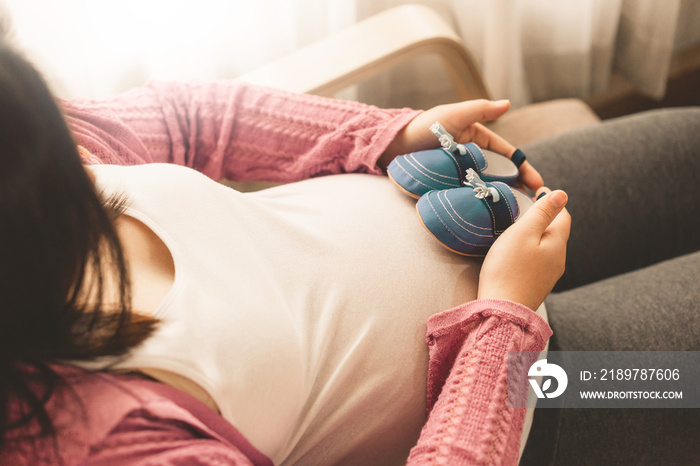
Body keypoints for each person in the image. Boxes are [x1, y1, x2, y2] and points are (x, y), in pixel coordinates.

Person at [0, 35, 698, 466]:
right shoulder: (101, 443)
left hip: (469, 197)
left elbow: (187, 119)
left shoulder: (25, 146)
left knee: (685, 151)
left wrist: (384, 136)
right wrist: (504, 320)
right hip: (528, 388)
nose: (84, 161)